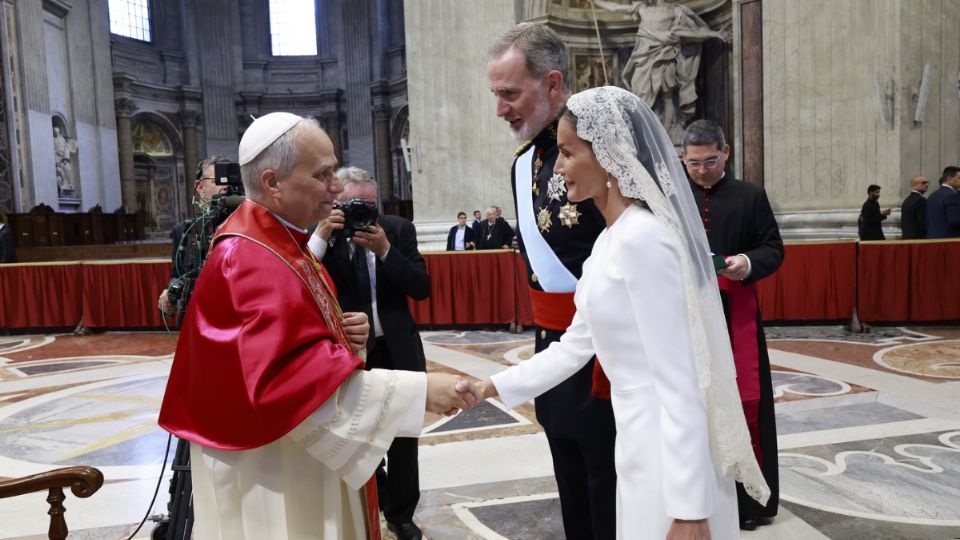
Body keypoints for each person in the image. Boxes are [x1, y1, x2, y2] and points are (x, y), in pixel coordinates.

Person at [158, 112, 478, 539]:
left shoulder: (279, 241)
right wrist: (419, 391)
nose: (335, 188)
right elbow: (281, 382)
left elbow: (288, 343)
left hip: (293, 458)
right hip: (272, 468)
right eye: (322, 174)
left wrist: (340, 336)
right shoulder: (249, 258)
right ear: (272, 183)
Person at [477, 86, 769, 540]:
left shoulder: (643, 240)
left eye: (569, 153)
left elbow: (683, 379)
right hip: (636, 443)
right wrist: (489, 386)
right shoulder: (610, 239)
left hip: (670, 460)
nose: (558, 166)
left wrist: (691, 509)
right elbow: (575, 345)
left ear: (609, 158)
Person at [488, 22, 617, 539]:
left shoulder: (603, 150)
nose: (501, 109)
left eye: (510, 94)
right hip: (552, 346)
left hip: (606, 352)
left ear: (553, 83)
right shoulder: (523, 164)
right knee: (569, 476)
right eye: (496, 95)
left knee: (609, 485)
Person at [309, 166, 431, 540]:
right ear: (335, 203)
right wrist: (319, 236)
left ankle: (401, 515)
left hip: (398, 349)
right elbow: (299, 281)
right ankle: (377, 497)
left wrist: (386, 251)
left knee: (405, 437)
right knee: (357, 434)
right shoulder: (323, 236)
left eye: (367, 205)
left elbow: (421, 288)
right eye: (349, 205)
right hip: (349, 353)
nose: (360, 213)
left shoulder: (397, 230)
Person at [683, 119, 783, 530]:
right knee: (694, 401)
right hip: (686, 315)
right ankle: (698, 496)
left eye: (709, 161)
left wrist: (747, 262)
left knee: (745, 401)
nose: (702, 171)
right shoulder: (672, 196)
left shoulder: (750, 195)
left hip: (735, 310)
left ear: (725, 153)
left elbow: (773, 248)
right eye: (692, 163)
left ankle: (749, 503)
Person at [591, 0, 729, 140]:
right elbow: (615, 7)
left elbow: (693, 31)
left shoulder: (675, 10)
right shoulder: (641, 8)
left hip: (665, 55)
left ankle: (666, 132)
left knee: (668, 96)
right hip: (643, 56)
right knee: (639, 92)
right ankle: (643, 128)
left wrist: (715, 34)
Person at [157, 155, 230, 316]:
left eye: (228, 181)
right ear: (200, 187)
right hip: (197, 317)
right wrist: (169, 294)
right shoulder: (183, 230)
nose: (225, 187)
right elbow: (178, 275)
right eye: (217, 180)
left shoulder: (242, 226)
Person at [926, 166, 960, 238]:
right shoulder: (952, 195)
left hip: (932, 239)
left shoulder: (932, 196)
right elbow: (955, 220)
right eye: (959, 178)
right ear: (949, 179)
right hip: (949, 240)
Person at [900, 175, 929, 239]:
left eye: (927, 182)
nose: (927, 184)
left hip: (907, 238)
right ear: (914, 185)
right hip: (918, 239)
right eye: (923, 183)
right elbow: (922, 223)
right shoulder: (921, 200)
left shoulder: (907, 200)